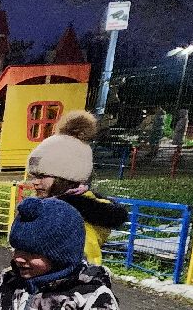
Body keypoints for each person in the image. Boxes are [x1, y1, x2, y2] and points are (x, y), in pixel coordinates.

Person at [25, 110, 127, 264]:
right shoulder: (48, 208)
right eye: (34, 176)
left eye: (42, 176)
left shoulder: (73, 220)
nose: (35, 182)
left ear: (67, 177)